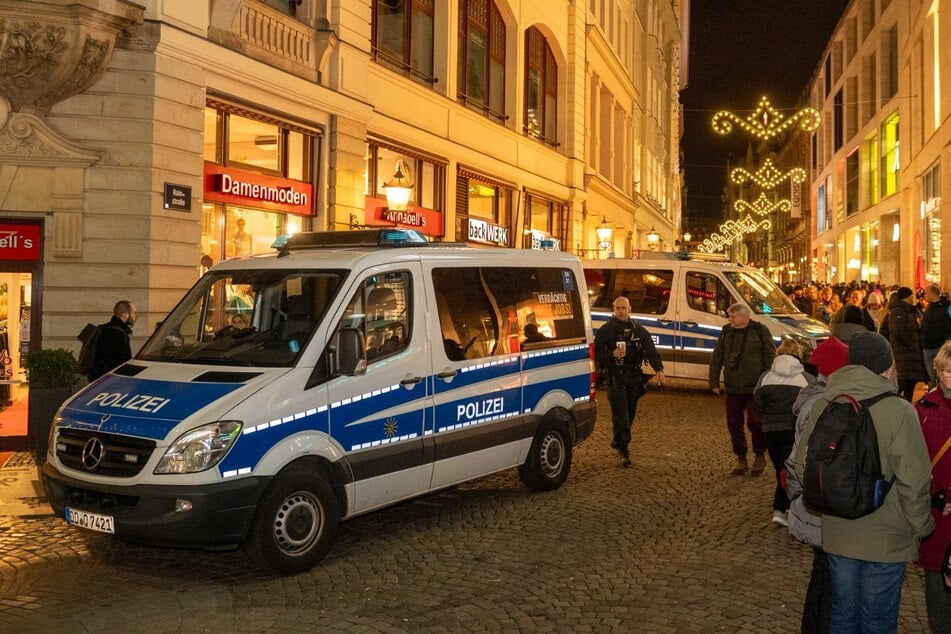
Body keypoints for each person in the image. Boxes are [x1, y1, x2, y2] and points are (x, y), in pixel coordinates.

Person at [791, 331, 934, 633]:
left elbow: (802, 463)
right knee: (878, 621)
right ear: (886, 366)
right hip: (887, 536)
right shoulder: (899, 410)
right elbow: (914, 479)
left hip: (839, 531)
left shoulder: (825, 403)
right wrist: (923, 526)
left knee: (842, 614)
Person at [787, 336, 850, 633]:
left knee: (822, 574)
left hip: (813, 501)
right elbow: (804, 459)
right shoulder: (822, 404)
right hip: (821, 503)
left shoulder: (813, 397)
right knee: (827, 579)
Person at [594, 296, 665, 467]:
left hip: (633, 378)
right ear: (614, 309)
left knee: (630, 413)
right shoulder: (606, 330)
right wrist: (611, 355)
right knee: (621, 415)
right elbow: (596, 354)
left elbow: (650, 351)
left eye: (623, 308)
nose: (620, 311)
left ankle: (619, 439)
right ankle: (624, 447)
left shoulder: (638, 331)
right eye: (618, 308)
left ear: (629, 309)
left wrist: (659, 371)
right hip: (615, 377)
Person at [709, 302, 776, 476]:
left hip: (754, 387)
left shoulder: (760, 331)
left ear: (745, 316)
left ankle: (759, 454)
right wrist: (714, 381)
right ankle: (741, 457)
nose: (729, 319)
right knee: (734, 424)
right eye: (729, 316)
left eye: (733, 316)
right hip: (732, 387)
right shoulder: (726, 332)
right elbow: (717, 355)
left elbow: (770, 356)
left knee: (755, 422)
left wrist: (767, 380)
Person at [753, 338, 812, 527]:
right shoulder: (806, 378)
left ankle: (784, 507)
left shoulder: (766, 376)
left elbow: (757, 402)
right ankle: (781, 508)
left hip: (770, 430)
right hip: (792, 430)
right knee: (787, 469)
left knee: (780, 467)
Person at [914, 340, 951, 631]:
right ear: (937, 372)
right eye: (947, 369)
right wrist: (932, 493)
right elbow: (913, 461)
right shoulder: (922, 410)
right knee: (937, 586)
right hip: (937, 512)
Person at [886, 286, 930, 401]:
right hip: (904, 355)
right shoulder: (898, 312)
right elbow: (898, 333)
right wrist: (910, 345)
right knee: (904, 383)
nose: (913, 298)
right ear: (907, 297)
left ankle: (906, 405)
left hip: (910, 355)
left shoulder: (910, 311)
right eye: (912, 295)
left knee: (910, 383)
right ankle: (894, 404)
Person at [91, 300, 137, 380]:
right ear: (125, 315)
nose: (135, 316)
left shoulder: (102, 328)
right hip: (109, 380)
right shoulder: (118, 333)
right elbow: (117, 364)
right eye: (134, 313)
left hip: (97, 378)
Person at [920, 284, 951, 387]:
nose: (924, 295)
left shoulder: (946, 308)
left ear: (933, 294)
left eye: (926, 293)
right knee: (932, 378)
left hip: (941, 347)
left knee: (943, 377)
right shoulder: (928, 309)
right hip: (928, 348)